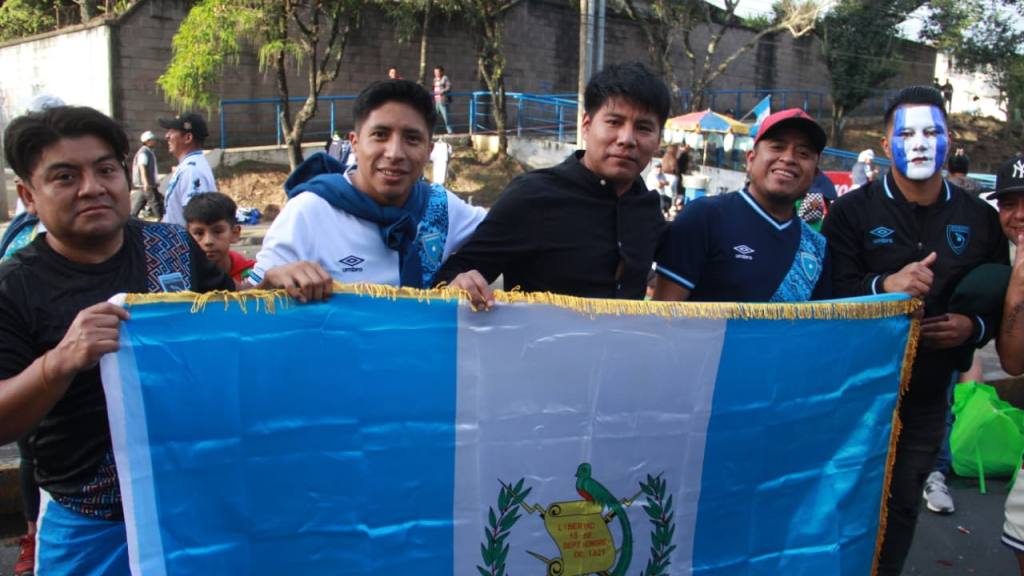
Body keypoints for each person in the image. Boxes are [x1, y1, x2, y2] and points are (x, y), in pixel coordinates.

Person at [0, 105, 330, 575]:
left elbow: (230, 327)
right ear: (28, 196)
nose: (92, 187)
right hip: (93, 526)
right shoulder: (14, 287)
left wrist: (273, 288)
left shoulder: (171, 246)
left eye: (106, 170)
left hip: (200, 508)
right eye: (66, 176)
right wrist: (58, 362)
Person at [822, 86, 1009, 576]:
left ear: (949, 140)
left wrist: (974, 327)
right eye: (906, 133)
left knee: (903, 503)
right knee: (842, 502)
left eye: (932, 132)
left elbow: (996, 296)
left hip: (927, 396)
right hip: (856, 393)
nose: (920, 143)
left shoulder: (981, 220)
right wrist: (886, 286)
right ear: (886, 145)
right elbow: (828, 293)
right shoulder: (850, 213)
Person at [433, 62, 670, 306]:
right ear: (586, 126)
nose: (627, 139)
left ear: (658, 139)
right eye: (614, 122)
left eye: (643, 128)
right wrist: (460, 283)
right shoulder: (532, 198)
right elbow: (451, 278)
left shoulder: (647, 209)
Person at [252, 79, 485, 288]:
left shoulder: (439, 207)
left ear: (429, 151)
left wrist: (459, 277)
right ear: (354, 143)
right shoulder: (308, 212)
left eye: (412, 139)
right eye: (380, 135)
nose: (394, 153)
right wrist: (269, 283)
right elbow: (241, 308)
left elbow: (506, 229)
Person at [654, 108, 830, 302]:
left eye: (803, 153)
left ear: (814, 173)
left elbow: (816, 327)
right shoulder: (704, 217)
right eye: (777, 147)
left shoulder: (816, 247)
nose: (788, 158)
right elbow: (663, 318)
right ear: (751, 159)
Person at [992, 156, 1024, 575]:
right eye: (1009, 203)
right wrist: (1017, 287)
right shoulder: (1015, 265)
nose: (1018, 215)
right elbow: (1014, 361)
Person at [184, 192, 256, 286]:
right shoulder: (181, 278)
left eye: (218, 231)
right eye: (199, 233)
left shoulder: (255, 275)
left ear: (234, 233)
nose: (208, 241)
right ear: (187, 236)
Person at [160, 111, 217, 227]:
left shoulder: (191, 171)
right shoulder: (189, 166)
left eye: (172, 131)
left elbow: (197, 218)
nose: (167, 136)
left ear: (188, 138)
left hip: (184, 243)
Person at [130, 130, 163, 219]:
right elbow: (142, 167)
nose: (155, 141)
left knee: (140, 202)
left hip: (147, 184)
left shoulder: (148, 151)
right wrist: (145, 182)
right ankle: (162, 219)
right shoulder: (144, 152)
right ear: (147, 141)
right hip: (147, 184)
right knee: (155, 202)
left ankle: (131, 218)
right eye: (153, 140)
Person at [432, 65, 453, 134]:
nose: (436, 73)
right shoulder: (434, 79)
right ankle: (432, 132)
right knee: (434, 117)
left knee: (446, 117)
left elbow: (449, 87)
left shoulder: (445, 78)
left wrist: (442, 91)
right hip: (436, 100)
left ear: (441, 72)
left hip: (442, 100)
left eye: (437, 72)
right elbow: (433, 88)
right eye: (435, 72)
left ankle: (450, 131)